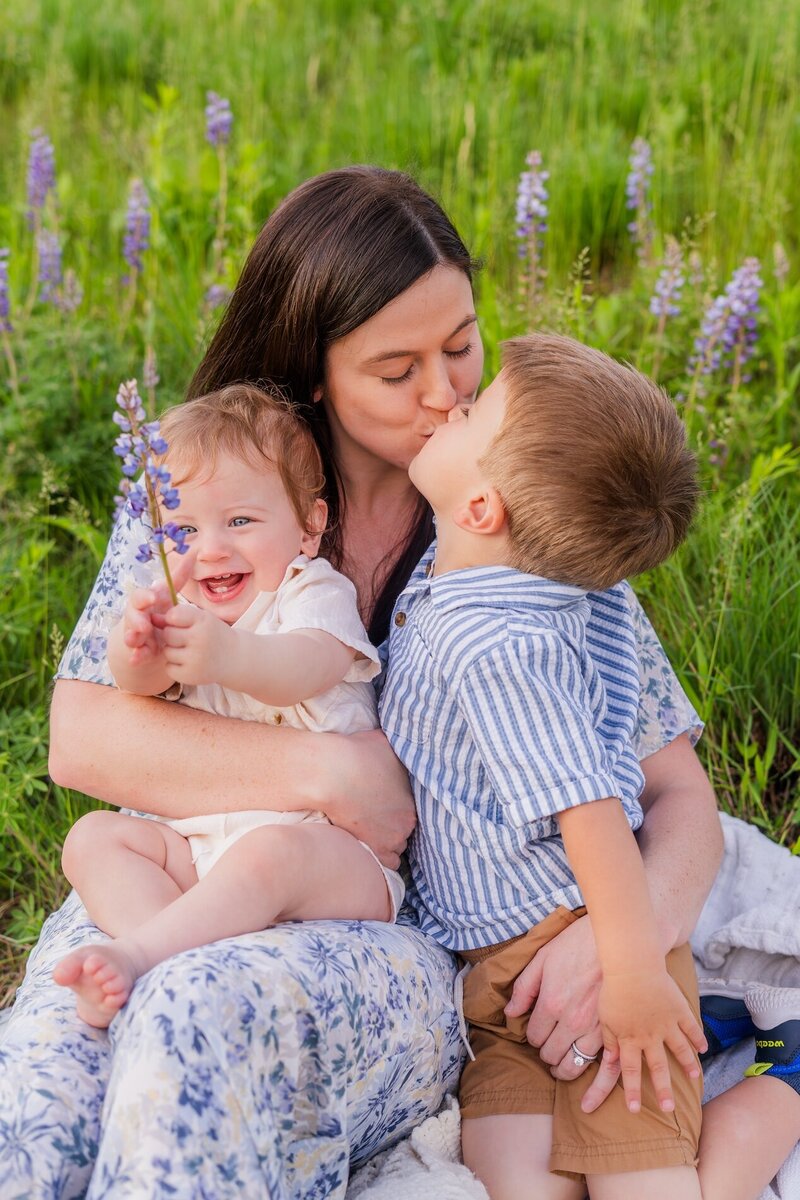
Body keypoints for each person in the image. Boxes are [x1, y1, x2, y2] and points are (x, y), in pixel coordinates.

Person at [0, 166, 736, 1199]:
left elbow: (678, 790)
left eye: (461, 344)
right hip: (173, 887)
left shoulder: (517, 511)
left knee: (193, 1025)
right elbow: (82, 740)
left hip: (373, 937)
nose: (447, 393)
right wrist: (338, 773)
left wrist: (629, 942)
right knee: (34, 1109)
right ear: (314, 375)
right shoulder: (215, 485)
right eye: (397, 370)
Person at [380, 332, 800, 1200]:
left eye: (471, 411)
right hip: (496, 980)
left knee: (655, 1191)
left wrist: (638, 978)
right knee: (517, 1186)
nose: (449, 406)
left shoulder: (496, 639)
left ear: (483, 508)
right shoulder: (538, 580)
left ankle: (780, 1092)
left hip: (596, 937)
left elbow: (592, 812)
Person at [53, 385, 405, 1028]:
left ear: (309, 526)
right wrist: (137, 644)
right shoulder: (191, 614)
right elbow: (137, 687)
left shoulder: (313, 591)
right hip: (203, 851)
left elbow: (304, 667)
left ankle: (143, 955)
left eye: (240, 521)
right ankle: (185, 963)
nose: (210, 549)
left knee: (268, 855)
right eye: (184, 530)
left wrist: (226, 656)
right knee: (92, 839)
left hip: (328, 856)